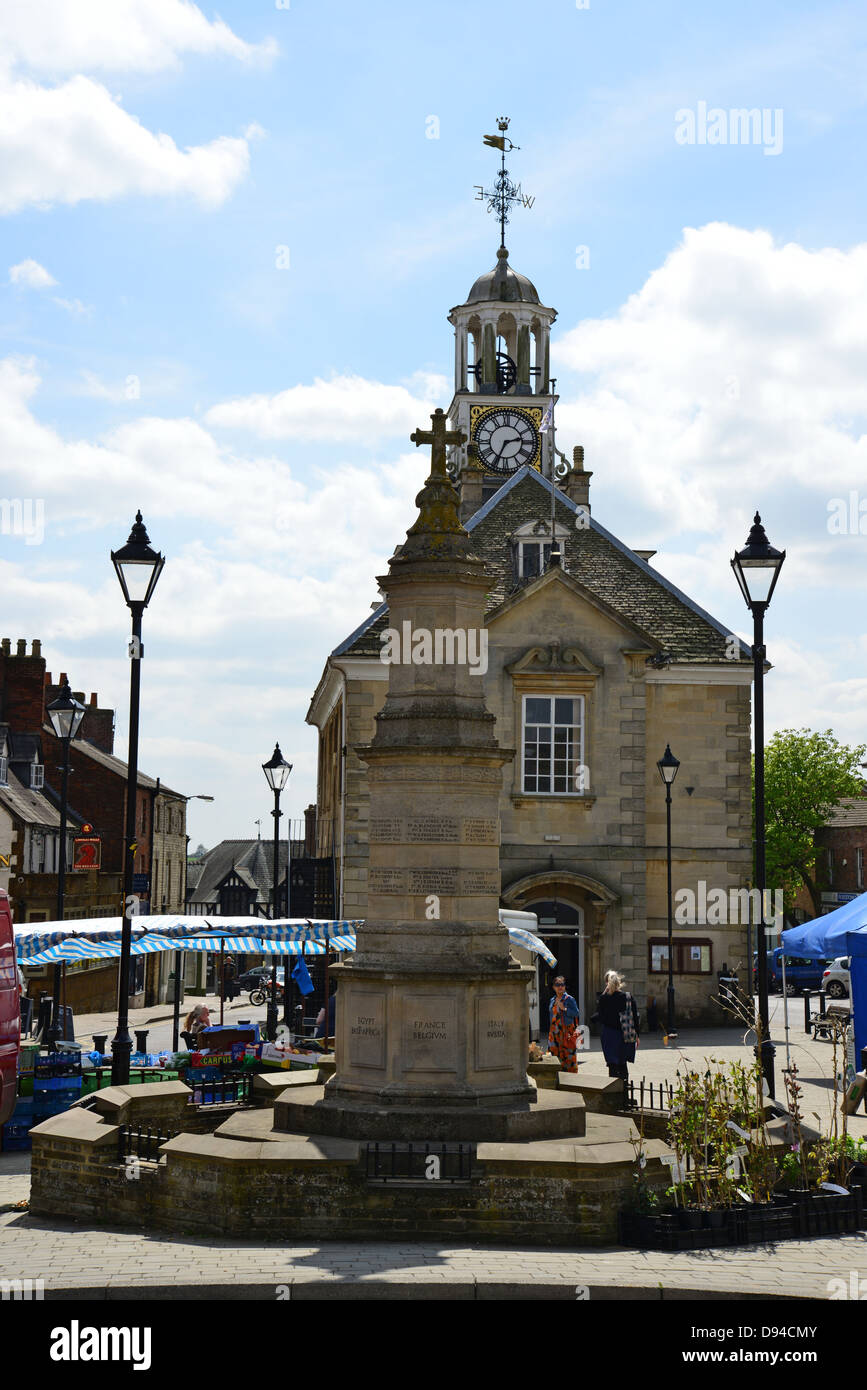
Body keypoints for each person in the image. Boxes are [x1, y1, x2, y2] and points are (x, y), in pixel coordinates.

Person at [594, 970, 640, 1081]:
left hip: (609, 1035)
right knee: (623, 1064)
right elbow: (635, 1018)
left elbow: (598, 1016)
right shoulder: (628, 997)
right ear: (619, 982)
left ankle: (614, 1094)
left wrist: (604, 994)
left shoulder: (604, 998)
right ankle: (624, 1093)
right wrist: (637, 1036)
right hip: (625, 1034)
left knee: (612, 1066)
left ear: (606, 983)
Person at [547, 975, 580, 1073]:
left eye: (562, 984)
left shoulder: (569, 999)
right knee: (553, 1057)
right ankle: (556, 1077)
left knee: (569, 1056)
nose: (560, 987)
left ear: (565, 986)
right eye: (557, 985)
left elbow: (576, 1013)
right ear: (553, 987)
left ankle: (570, 1080)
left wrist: (564, 1009)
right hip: (554, 1034)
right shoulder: (552, 1000)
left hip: (566, 1032)